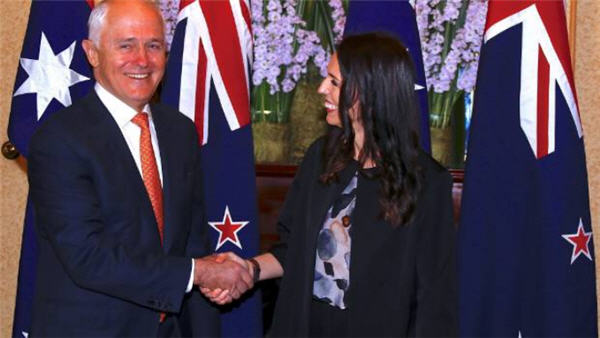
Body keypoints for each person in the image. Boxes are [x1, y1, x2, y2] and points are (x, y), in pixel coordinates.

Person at [205, 33, 458, 337]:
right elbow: (292, 249)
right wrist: (249, 270)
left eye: (334, 82)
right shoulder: (319, 158)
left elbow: (434, 299)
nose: (321, 88)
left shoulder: (427, 182)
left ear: (370, 92)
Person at [27, 0, 252, 336]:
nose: (142, 60)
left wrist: (209, 276)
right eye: (126, 45)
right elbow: (88, 256)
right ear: (92, 53)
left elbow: (191, 239)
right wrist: (199, 273)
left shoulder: (180, 131)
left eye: (154, 46)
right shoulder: (59, 139)